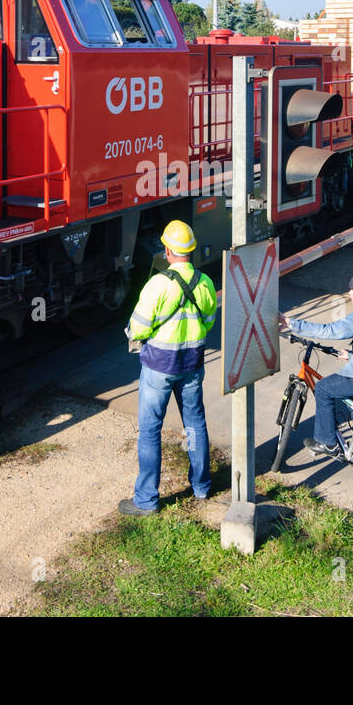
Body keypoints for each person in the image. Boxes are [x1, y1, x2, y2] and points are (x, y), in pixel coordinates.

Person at [120, 220, 217, 516]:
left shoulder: (158, 284)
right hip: (192, 364)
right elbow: (209, 320)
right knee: (195, 424)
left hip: (159, 368)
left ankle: (147, 500)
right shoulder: (206, 283)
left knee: (150, 431)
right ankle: (201, 487)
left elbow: (138, 327)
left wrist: (136, 335)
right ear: (191, 250)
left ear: (167, 250)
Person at [279, 270, 353, 457]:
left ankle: (327, 443)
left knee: (323, 389)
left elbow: (329, 331)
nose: (349, 293)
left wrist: (291, 323)